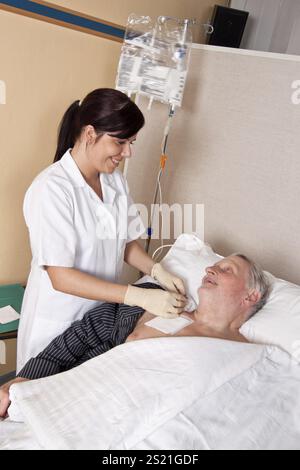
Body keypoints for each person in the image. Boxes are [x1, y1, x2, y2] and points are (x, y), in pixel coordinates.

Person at [17, 88, 187, 373]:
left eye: (131, 142)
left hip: (97, 321)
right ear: (90, 134)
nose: (128, 152)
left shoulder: (115, 183)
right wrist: (137, 295)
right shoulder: (52, 189)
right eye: (120, 142)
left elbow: (126, 244)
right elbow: (61, 277)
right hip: (58, 320)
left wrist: (157, 270)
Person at [0, 254, 271, 419]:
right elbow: (79, 337)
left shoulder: (249, 357)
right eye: (213, 265)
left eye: (226, 270)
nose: (210, 270)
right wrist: (26, 378)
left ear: (251, 296)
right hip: (77, 401)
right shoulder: (151, 305)